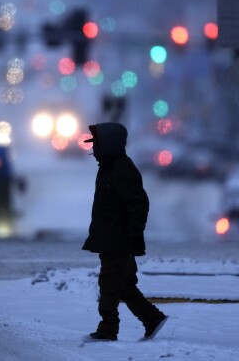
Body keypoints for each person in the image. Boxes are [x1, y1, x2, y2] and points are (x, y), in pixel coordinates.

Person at [82, 122, 168, 342]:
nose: (94, 152)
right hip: (112, 239)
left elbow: (139, 203)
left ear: (108, 145)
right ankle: (152, 318)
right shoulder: (110, 167)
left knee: (109, 286)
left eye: (97, 145)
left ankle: (108, 329)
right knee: (124, 286)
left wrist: (135, 235)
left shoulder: (121, 169)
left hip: (118, 241)